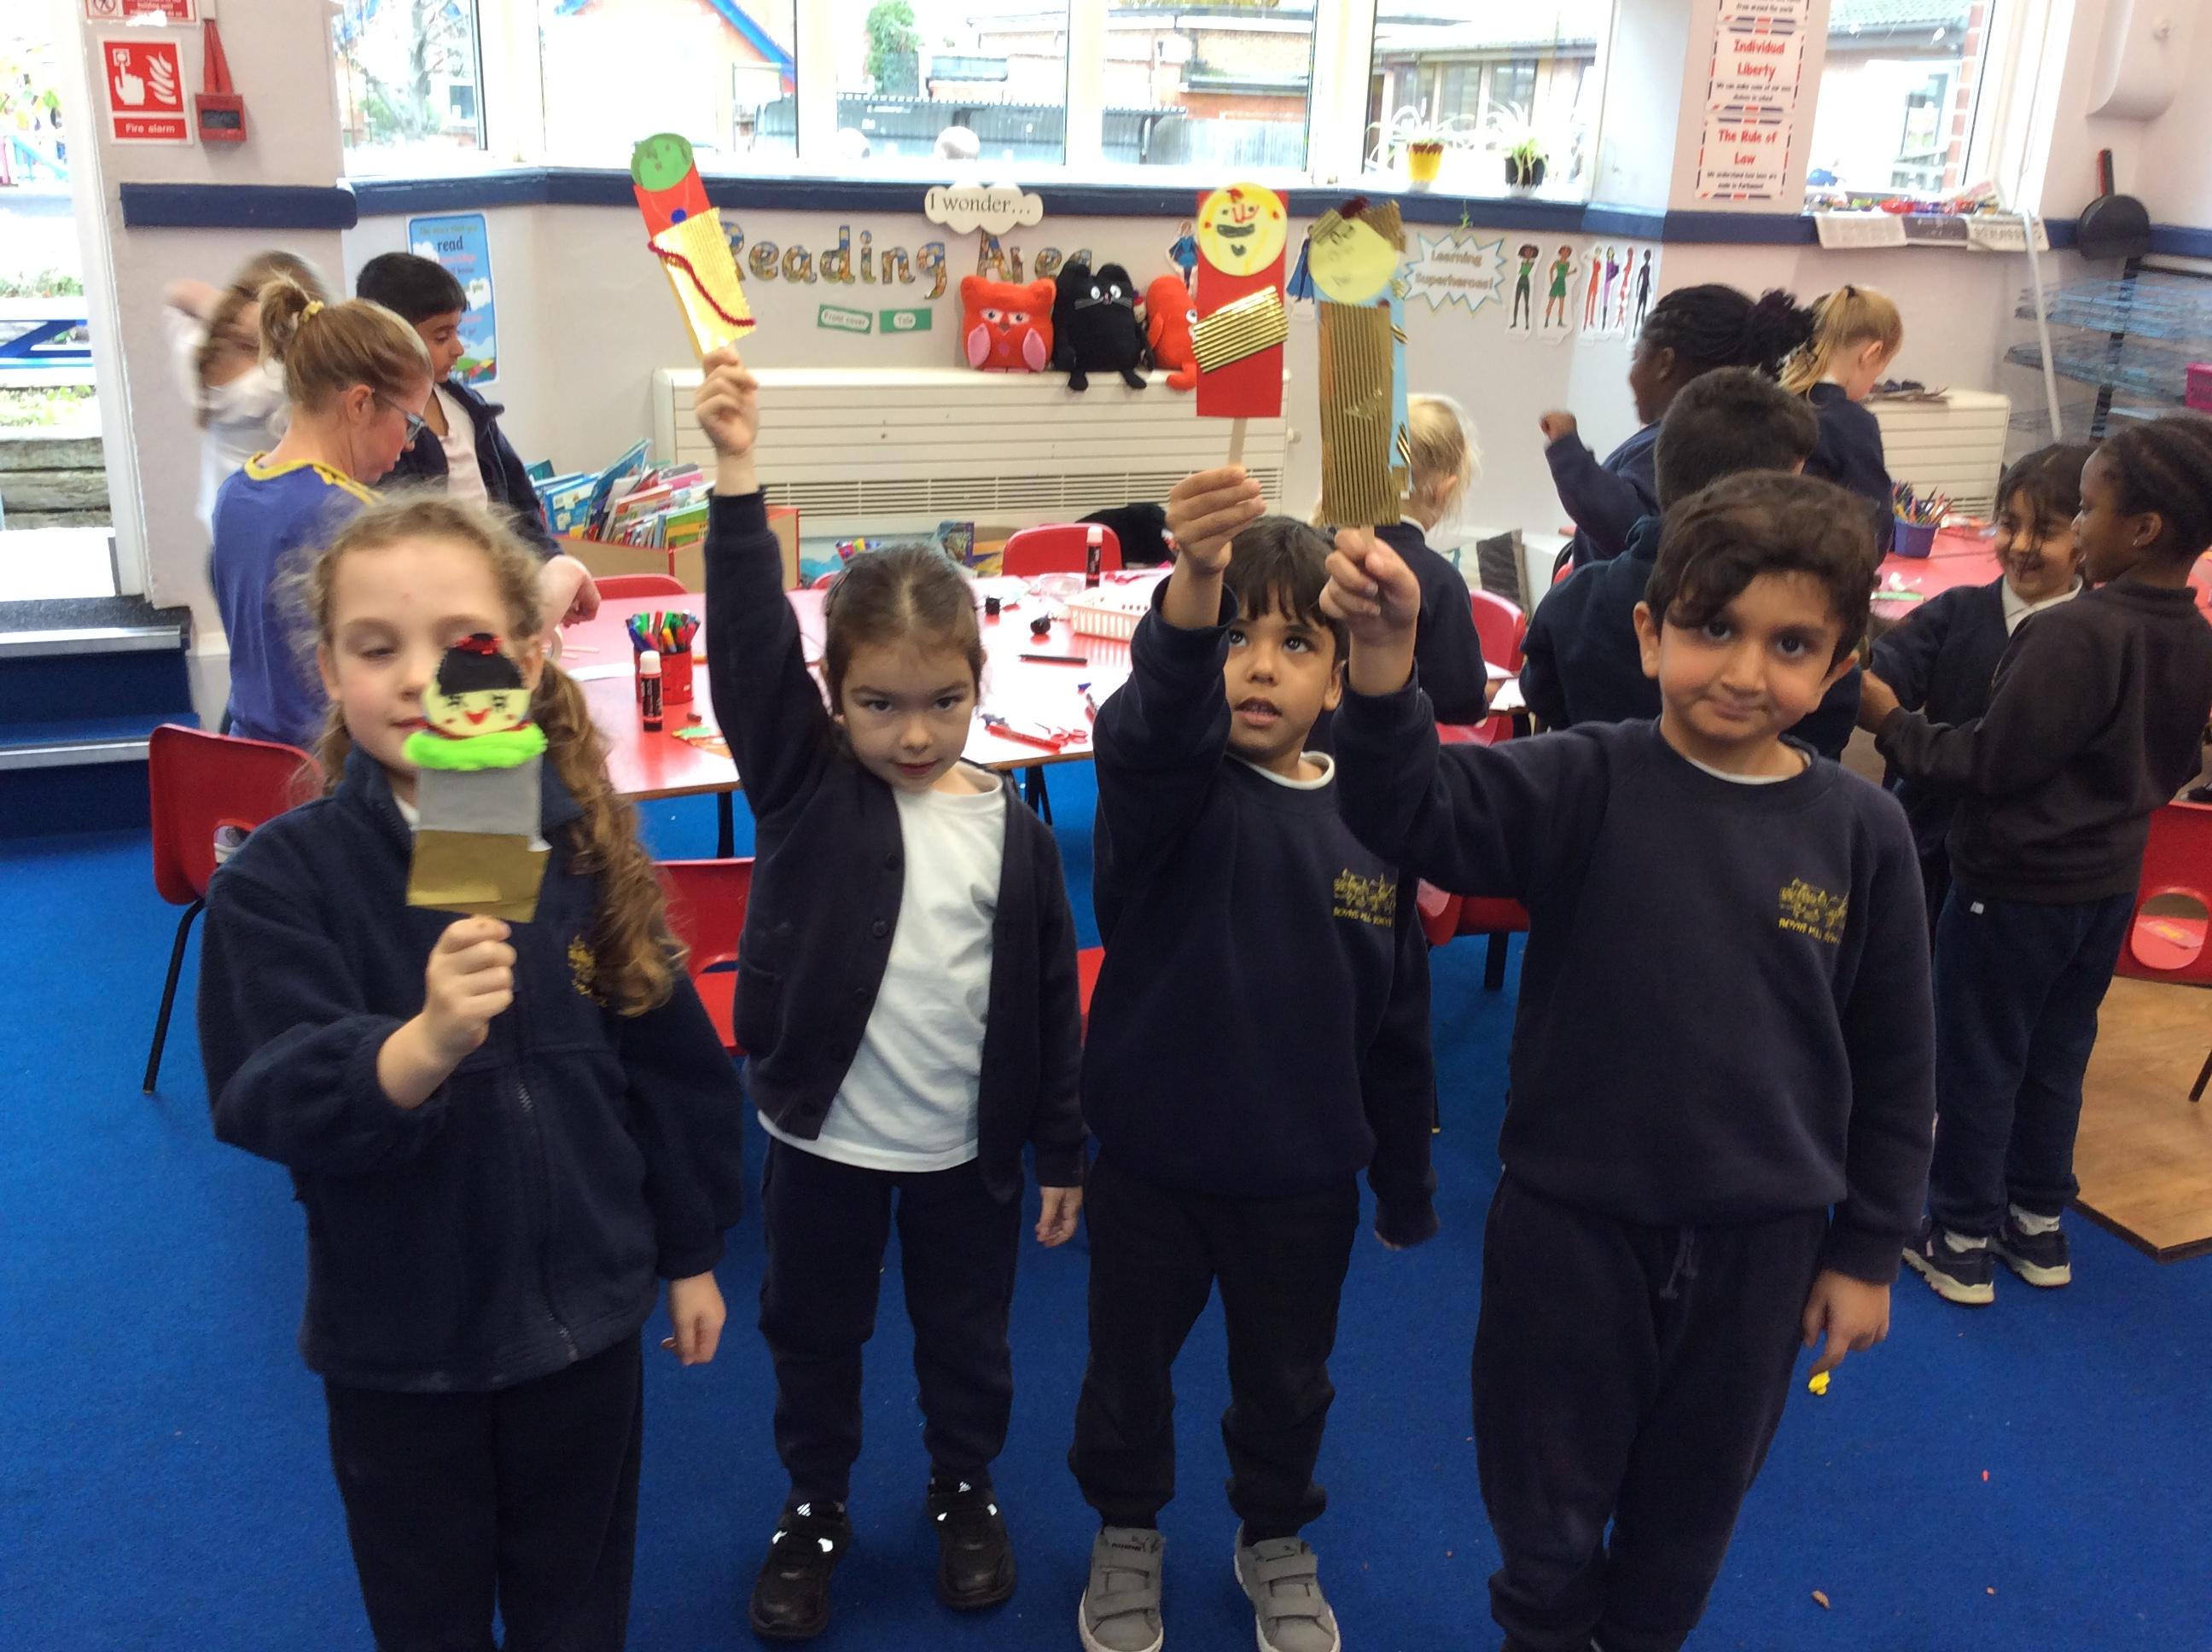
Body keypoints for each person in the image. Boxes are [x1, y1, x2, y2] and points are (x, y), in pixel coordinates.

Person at [1323, 470, 1935, 1652]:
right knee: (1542, 1503)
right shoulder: (1585, 779)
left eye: (1791, 644)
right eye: (1714, 629)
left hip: (1759, 1245)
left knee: (1689, 1515)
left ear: (1840, 665)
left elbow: (1900, 1057)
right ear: (1651, 634)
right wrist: (1386, 658)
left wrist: (1868, 1248)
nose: (1745, 671)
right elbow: (1406, 810)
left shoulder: (1864, 833)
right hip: (1572, 1228)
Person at [197, 494, 747, 1652]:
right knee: (428, 1617)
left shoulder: (577, 845)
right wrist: (421, 1043)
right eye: (376, 648)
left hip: (585, 1321)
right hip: (405, 1344)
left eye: (462, 644)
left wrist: (690, 1249)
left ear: (527, 660)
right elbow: (265, 1089)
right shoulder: (285, 878)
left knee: (577, 1603)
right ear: (328, 668)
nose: (419, 678)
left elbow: (666, 1069)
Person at [691, 347, 1086, 1640]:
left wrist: (1062, 1146)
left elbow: (1048, 1002)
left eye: (943, 701)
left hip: (966, 1152)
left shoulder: (1017, 832)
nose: (914, 734)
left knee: (969, 1339)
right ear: (831, 697)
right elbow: (749, 651)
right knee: (813, 1332)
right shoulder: (805, 784)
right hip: (824, 1141)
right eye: (878, 704)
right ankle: (814, 1505)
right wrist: (737, 478)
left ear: (979, 683)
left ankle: (963, 1486)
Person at [1071, 474, 1438, 1652]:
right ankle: (1128, 1526)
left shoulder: (1375, 825)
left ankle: (1274, 1531)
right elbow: (1147, 726)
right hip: (1152, 1167)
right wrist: (1195, 584)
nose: (1259, 666)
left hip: (1301, 1181)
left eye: (1294, 643)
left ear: (1339, 677)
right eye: (1237, 639)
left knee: (1287, 1379)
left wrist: (1404, 1179)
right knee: (1127, 1372)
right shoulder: (1168, 798)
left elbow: (1398, 1016)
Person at [1862, 417, 2212, 1303]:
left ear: (2144, 529)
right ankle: (2037, 1222)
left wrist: (1888, 721)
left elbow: (1986, 765)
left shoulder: (2073, 632)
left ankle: (1960, 1236)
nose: (2080, 527)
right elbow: (2174, 760)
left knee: (1978, 1058)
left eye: (2086, 511)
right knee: (2057, 1053)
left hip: (2014, 888)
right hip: (2107, 885)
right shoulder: (2193, 632)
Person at [1520, 366, 1862, 759]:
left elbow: (1543, 697)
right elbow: (1828, 731)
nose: (1744, 679)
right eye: (1793, 485)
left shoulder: (1575, 598)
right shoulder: (1806, 617)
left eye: (1787, 645)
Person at [1870, 443, 2094, 932]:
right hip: (1930, 832)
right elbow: (1892, 668)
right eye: (2010, 525)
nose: (2021, 546)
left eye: (2045, 531)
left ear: (2084, 537)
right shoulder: (1958, 610)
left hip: (2022, 863)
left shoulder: (2098, 635)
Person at [209, 280, 432, 749]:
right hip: (328, 769)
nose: (411, 444)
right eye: (410, 422)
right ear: (360, 403)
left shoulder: (234, 494)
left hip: (247, 762)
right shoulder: (354, 517)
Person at [1543, 285, 1815, 569]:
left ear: (1664, 363)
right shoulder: (1732, 440)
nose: (1631, 374)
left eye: (1636, 357)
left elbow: (1624, 523)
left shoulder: (1681, 443)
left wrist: (1567, 450)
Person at [354, 251, 561, 555]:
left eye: (457, 331)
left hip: (500, 564)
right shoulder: (382, 424)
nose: (459, 349)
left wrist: (550, 561)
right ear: (391, 339)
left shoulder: (466, 405)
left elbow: (520, 500)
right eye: (441, 337)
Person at [1316, 394, 1490, 729]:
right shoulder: (1441, 581)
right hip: (1388, 746)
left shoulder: (1310, 549)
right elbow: (1461, 701)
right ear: (1444, 489)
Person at [163, 250, 326, 539]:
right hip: (278, 528)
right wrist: (263, 323)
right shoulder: (280, 380)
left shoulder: (197, 353)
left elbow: (178, 292)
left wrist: (227, 314)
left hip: (222, 520)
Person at [1781, 283, 1904, 554]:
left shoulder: (1773, 400)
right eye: (1882, 367)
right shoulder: (1851, 422)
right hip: (1818, 564)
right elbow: (1875, 526)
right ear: (1871, 353)